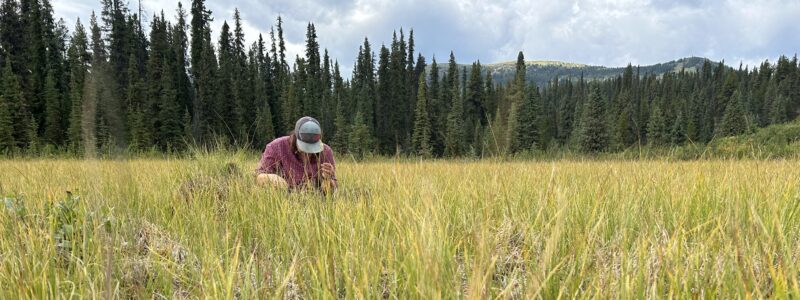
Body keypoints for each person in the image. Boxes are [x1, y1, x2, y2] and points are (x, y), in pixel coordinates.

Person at [255, 116, 337, 193]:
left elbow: (331, 190)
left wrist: (328, 179)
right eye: (305, 147)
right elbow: (258, 177)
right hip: (283, 199)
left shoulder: (326, 151)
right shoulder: (276, 147)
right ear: (295, 137)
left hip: (314, 200)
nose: (308, 152)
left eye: (312, 148)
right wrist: (271, 178)